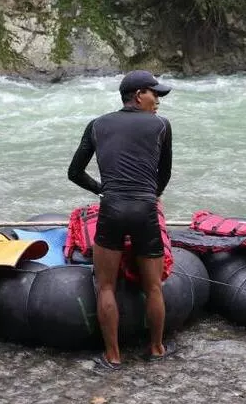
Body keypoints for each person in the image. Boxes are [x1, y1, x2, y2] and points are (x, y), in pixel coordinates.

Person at [67, 70, 175, 371]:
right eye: (155, 94)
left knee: (105, 287)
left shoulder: (97, 124)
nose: (158, 101)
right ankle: (156, 348)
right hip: (145, 208)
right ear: (139, 95)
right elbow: (163, 173)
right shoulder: (161, 126)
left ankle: (113, 356)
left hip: (111, 208)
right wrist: (152, 195)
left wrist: (103, 190)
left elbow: (74, 172)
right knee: (153, 287)